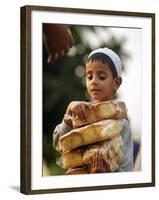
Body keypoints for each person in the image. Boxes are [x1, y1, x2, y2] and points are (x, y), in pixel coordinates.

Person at [53, 47, 134, 173]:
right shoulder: (80, 113)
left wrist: (105, 173)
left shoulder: (122, 125)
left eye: (101, 77)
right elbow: (59, 144)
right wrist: (69, 112)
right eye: (89, 77)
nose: (94, 82)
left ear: (116, 83)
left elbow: (127, 170)